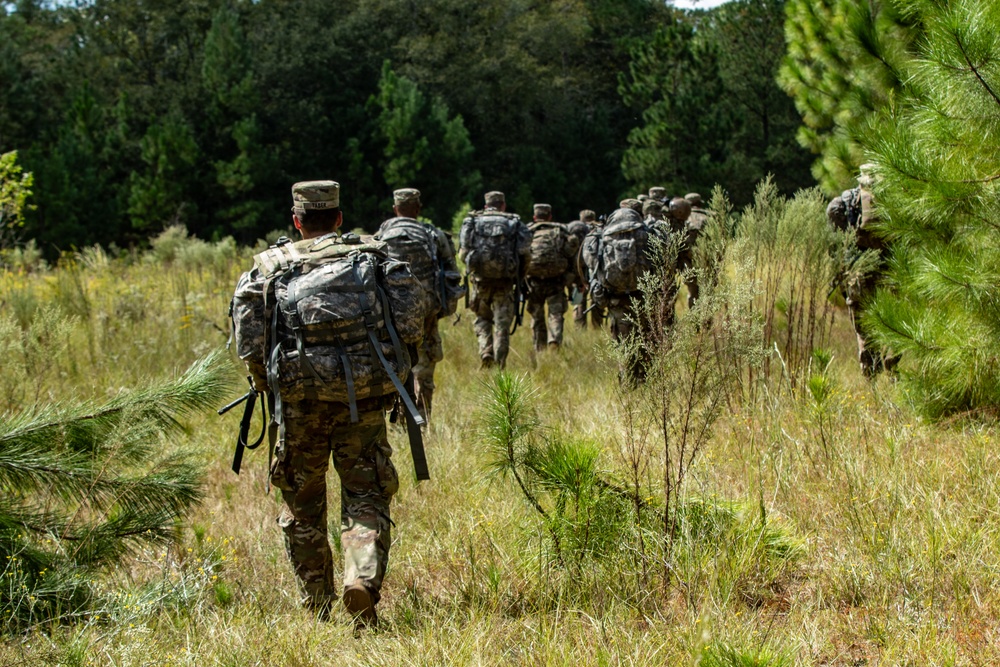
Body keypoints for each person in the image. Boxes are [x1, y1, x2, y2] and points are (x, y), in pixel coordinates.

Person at [231, 180, 427, 630]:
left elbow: (249, 344)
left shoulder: (267, 269)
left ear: (297, 221)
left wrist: (270, 386)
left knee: (302, 504)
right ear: (338, 218)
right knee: (366, 494)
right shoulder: (373, 258)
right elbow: (411, 325)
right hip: (363, 401)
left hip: (299, 407)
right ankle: (359, 579)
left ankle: (316, 603)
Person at [375, 188, 461, 421]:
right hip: (425, 313)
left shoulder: (381, 235)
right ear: (418, 209)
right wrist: (442, 308)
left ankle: (397, 418)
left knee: (392, 363)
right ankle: (421, 416)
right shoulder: (432, 234)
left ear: (395, 209)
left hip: (389, 314)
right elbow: (452, 275)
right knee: (423, 368)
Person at [459, 191, 531, 369]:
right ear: (503, 205)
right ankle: (500, 364)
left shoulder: (473, 221)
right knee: (502, 326)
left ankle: (486, 351)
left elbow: (463, 254)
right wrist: (520, 276)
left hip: (481, 282)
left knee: (482, 318)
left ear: (486, 205)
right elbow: (525, 254)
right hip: (505, 283)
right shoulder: (514, 223)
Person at [524, 203, 579, 352]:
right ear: (550, 216)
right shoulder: (560, 231)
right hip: (556, 281)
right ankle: (554, 340)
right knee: (555, 313)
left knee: (537, 315)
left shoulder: (528, 232)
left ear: (535, 217)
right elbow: (569, 254)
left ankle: (539, 347)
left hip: (534, 281)